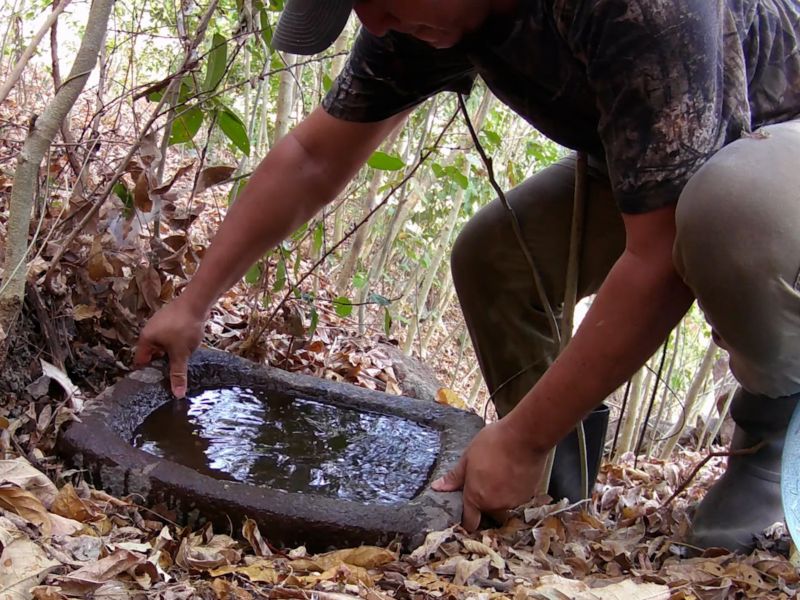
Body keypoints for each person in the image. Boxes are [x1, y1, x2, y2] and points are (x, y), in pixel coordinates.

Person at [136, 0, 800, 553]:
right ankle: (557, 496)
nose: (374, 22)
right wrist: (193, 302)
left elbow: (658, 263)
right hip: (666, 155)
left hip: (774, 152)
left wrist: (521, 434)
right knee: (495, 260)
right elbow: (314, 155)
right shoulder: (413, 16)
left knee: (726, 212)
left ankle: (770, 439)